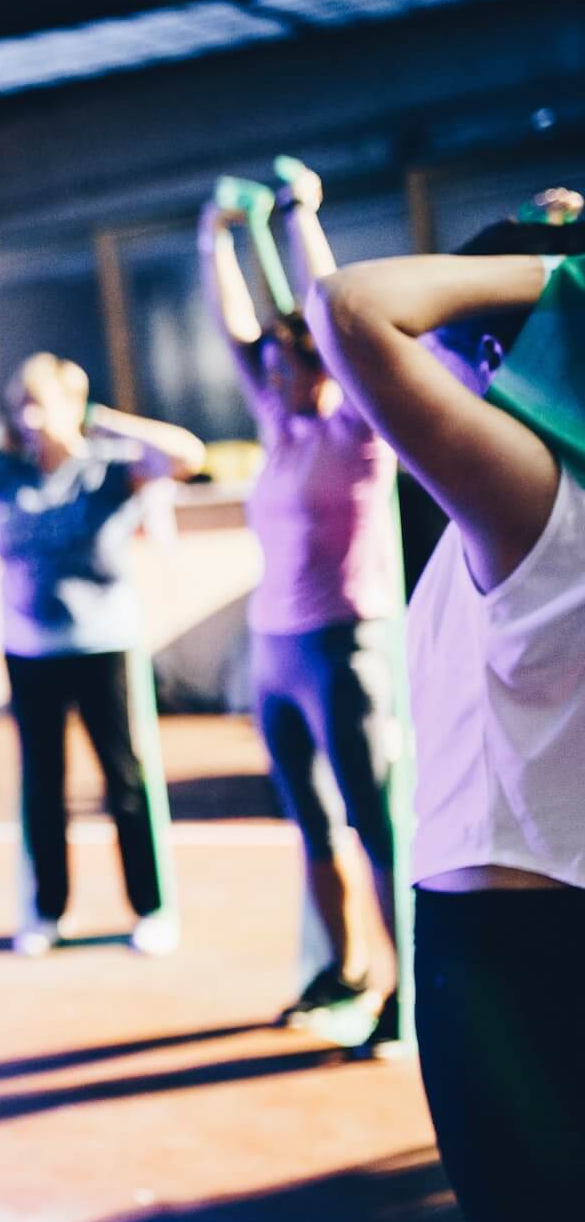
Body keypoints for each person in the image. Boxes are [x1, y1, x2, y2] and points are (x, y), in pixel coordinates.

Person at [309, 196, 585, 1222]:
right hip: (503, 941)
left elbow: (353, 306)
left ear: (486, 351)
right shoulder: (506, 503)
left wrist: (563, 270)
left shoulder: (535, 499)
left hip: (523, 961)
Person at [199, 165, 402, 1043]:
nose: (270, 377)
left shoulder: (359, 430)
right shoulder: (280, 431)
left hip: (342, 646)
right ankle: (344, 968)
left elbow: (332, 308)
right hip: (276, 650)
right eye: (269, 368)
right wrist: (213, 236)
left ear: (319, 362)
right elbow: (236, 327)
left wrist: (297, 216)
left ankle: (407, 992)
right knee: (313, 825)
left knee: (375, 824)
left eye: (286, 364)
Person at [0, 353, 205, 958]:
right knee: (43, 785)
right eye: (20, 404)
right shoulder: (4, 473)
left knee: (124, 778)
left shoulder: (108, 469)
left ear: (72, 404)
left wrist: (105, 421)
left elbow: (189, 456)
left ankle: (151, 908)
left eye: (40, 402)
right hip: (28, 649)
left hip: (103, 645)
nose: (28, 416)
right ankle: (48, 911)